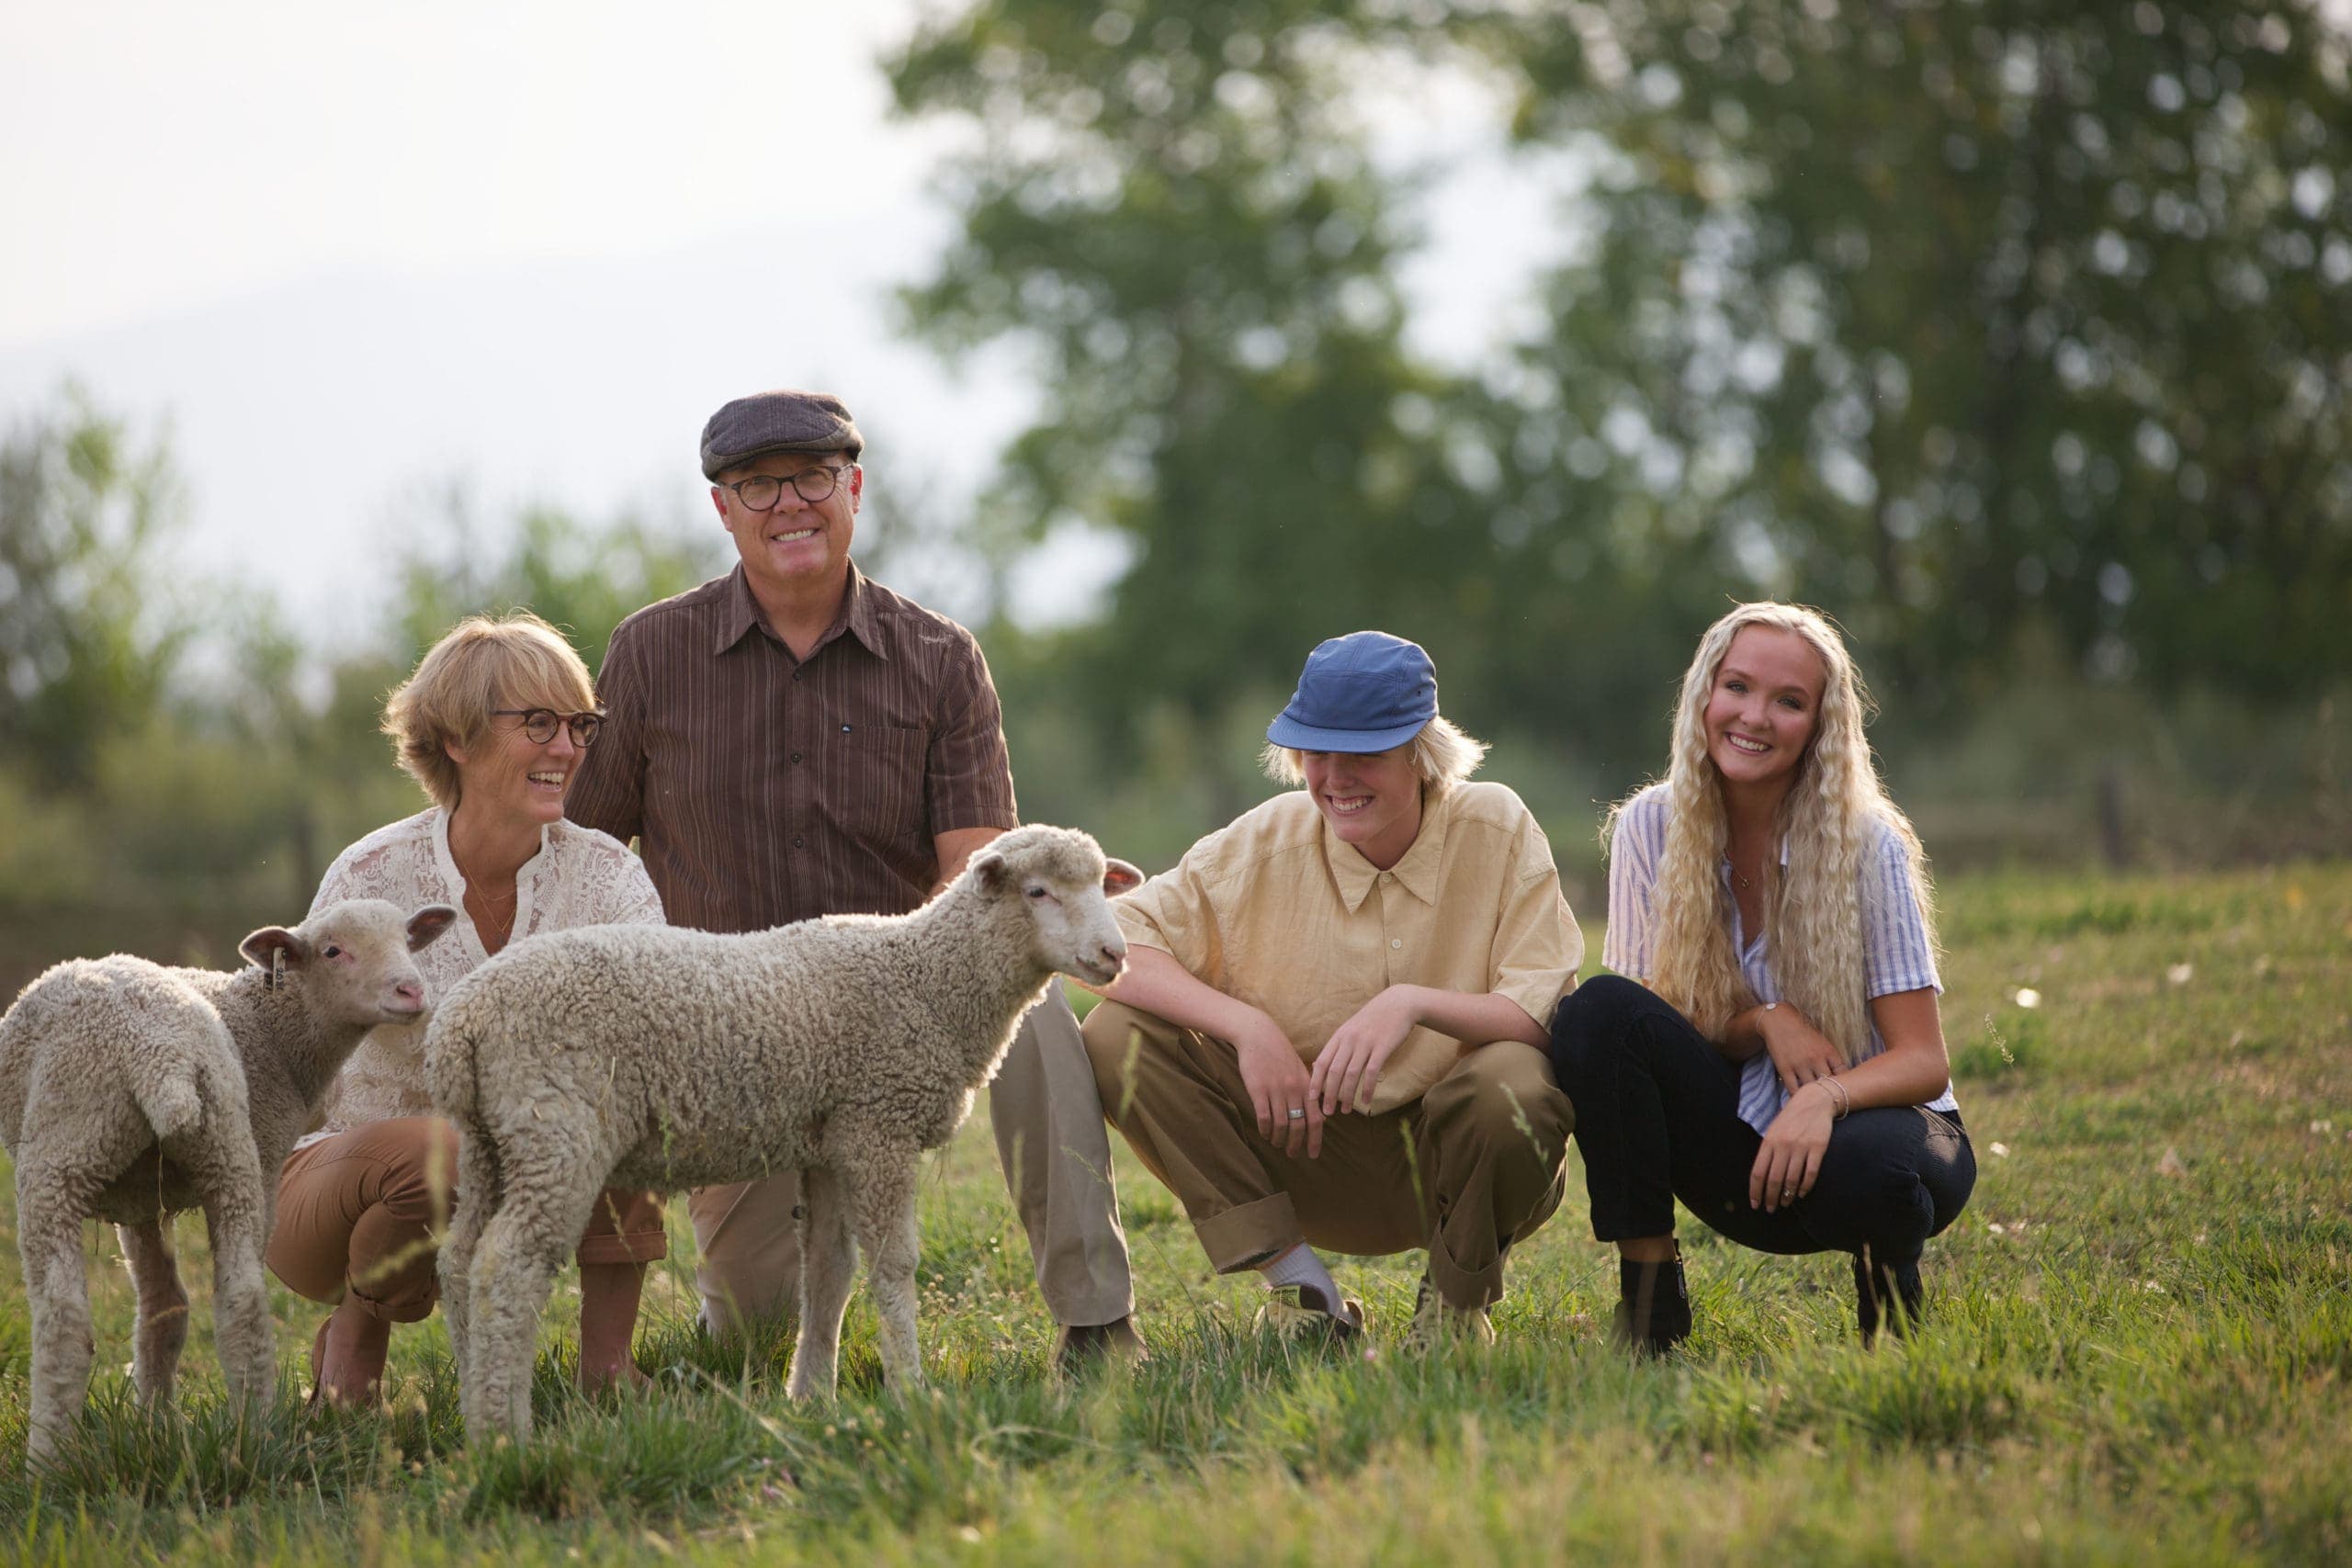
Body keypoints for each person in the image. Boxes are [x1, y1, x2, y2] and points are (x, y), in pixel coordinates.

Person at [564, 389, 1139, 1371]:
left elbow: (983, 883)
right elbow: (580, 852)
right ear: (723, 508)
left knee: (1041, 1007)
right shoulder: (650, 652)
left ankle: (1095, 1322)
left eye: (813, 478)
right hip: (728, 1027)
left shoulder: (938, 657)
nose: (789, 503)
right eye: (757, 484)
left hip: (895, 1012)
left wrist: (909, 1011)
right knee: (753, 1331)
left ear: (854, 489)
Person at [1080, 631, 1579, 1347]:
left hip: (1455, 1165)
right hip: (1302, 1146)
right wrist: (1247, 1028)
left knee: (1517, 1080)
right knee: (1115, 1033)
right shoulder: (1263, 840)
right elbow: (1098, 947)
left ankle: (1453, 1311)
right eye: (1316, 751)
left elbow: (1542, 1016)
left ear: (1421, 751)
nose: (1335, 777)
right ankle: (1304, 1295)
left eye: (1365, 752)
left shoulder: (1495, 824)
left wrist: (1411, 1003)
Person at [1550, 602, 1976, 1352]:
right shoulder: (1650, 826)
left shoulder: (1868, 845)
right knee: (1598, 1014)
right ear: (1702, 697)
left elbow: (1922, 1059)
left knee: (1876, 1168)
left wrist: (1825, 1097)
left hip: (1874, 1131)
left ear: (1820, 725)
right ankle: (1651, 1302)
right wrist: (1768, 1018)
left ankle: (1893, 1319)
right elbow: (1651, 1028)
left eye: (1789, 700)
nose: (1754, 715)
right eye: (1737, 686)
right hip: (1735, 1151)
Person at [268, 612, 670, 1405]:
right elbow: (279, 1052)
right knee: (438, 1153)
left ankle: (607, 1368)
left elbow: (657, 1040)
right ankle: (352, 1339)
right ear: (456, 738)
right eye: (540, 723)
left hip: (523, 1167)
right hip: (337, 1180)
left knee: (635, 1090)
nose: (567, 749)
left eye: (580, 724)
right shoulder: (371, 875)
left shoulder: (609, 882)